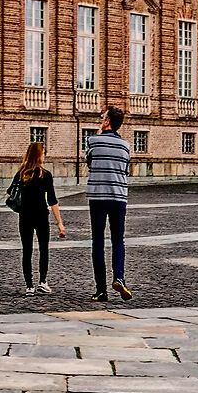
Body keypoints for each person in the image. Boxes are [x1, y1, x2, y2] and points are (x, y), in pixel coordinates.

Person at [86, 106, 134, 303]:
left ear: (106, 122)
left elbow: (90, 162)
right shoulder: (126, 145)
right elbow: (125, 169)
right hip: (119, 197)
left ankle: (101, 290)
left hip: (98, 196)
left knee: (98, 241)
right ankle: (119, 278)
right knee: (118, 240)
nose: (100, 119)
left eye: (102, 117)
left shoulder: (93, 141)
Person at [9, 141, 63, 296]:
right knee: (43, 249)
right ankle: (43, 281)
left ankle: (29, 285)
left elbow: (10, 193)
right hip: (41, 216)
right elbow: (52, 200)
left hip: (25, 216)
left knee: (27, 250)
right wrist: (60, 223)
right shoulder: (45, 175)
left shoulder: (21, 173)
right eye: (43, 153)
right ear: (39, 155)